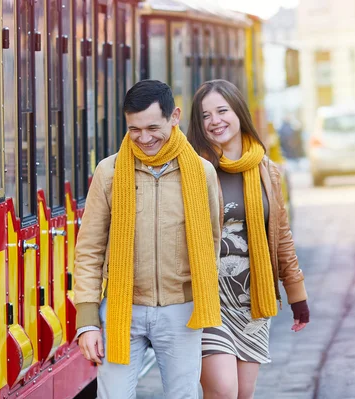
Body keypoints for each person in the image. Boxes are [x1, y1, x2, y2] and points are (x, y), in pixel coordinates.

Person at [74, 79, 222, 399]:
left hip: (181, 311)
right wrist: (86, 321)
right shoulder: (109, 171)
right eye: (134, 130)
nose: (144, 138)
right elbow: (89, 250)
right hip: (121, 309)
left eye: (153, 127)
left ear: (175, 117)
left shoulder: (202, 172)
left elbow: (212, 242)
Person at [187, 79, 310, 399]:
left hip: (253, 301)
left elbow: (281, 234)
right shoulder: (191, 170)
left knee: (243, 393)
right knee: (224, 391)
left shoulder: (266, 170)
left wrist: (297, 294)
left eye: (222, 111)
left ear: (239, 113)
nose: (215, 121)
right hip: (207, 300)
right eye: (205, 116)